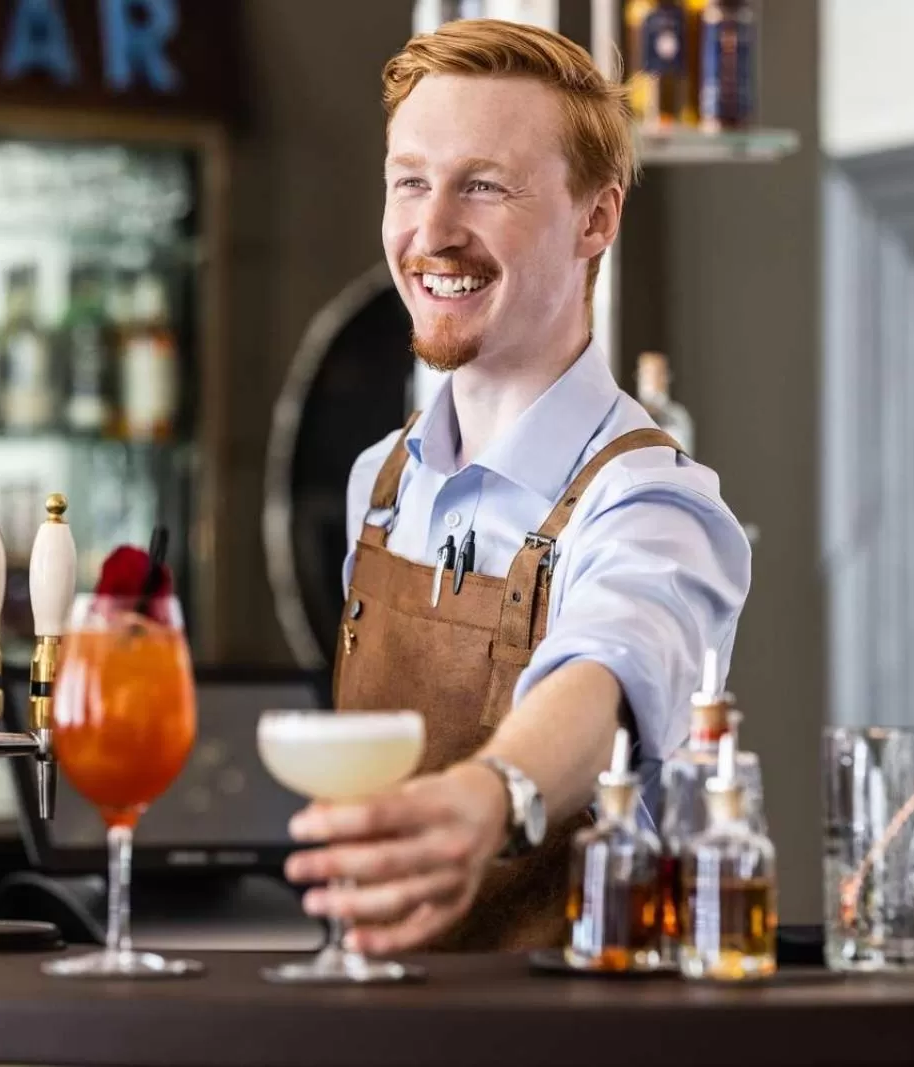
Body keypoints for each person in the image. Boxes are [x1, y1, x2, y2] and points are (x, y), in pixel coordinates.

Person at [283, 19, 752, 953]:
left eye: (485, 186)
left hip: (569, 1038)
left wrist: (493, 794)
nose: (432, 231)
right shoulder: (379, 482)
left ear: (597, 219)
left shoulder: (656, 505)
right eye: (410, 181)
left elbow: (603, 668)